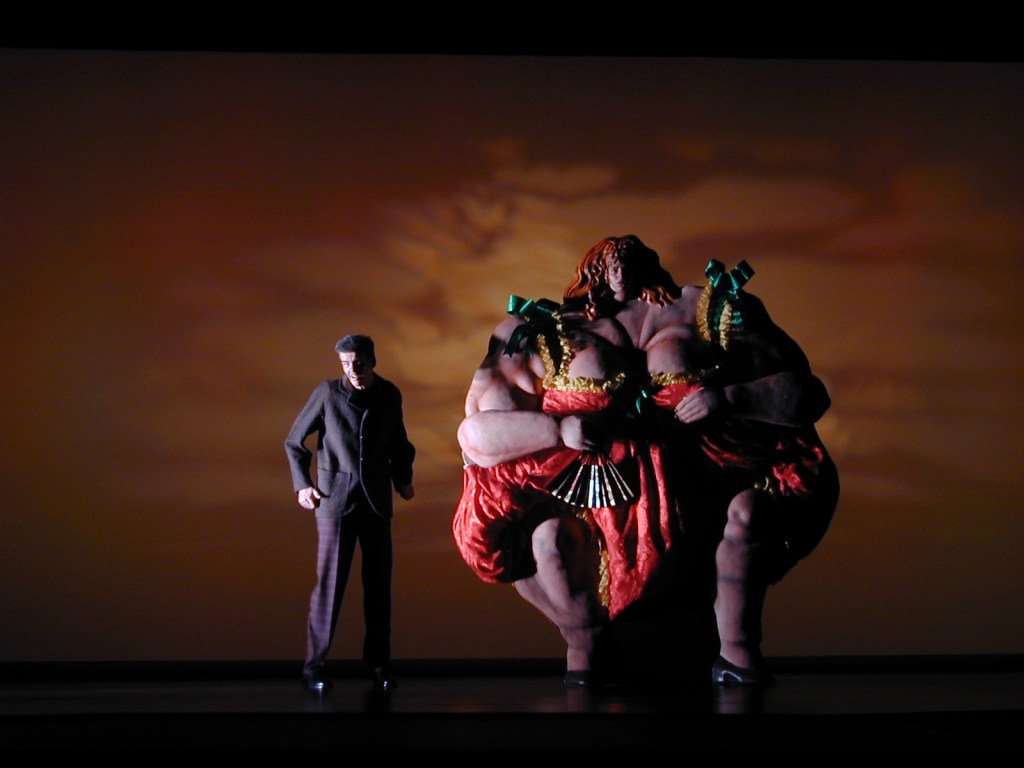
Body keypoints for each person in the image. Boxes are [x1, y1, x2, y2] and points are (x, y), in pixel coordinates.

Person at [454, 235, 837, 686]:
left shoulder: (710, 308)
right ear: (595, 270)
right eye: (610, 266)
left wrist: (731, 397)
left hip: (704, 479)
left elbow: (806, 393)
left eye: (627, 264)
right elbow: (476, 435)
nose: (619, 275)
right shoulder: (538, 331)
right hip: (595, 495)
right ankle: (586, 645)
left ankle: (736, 651)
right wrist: (557, 429)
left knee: (750, 513)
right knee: (550, 540)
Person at [286, 334, 415, 692]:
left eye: (358, 362)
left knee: (379, 588)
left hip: (376, 501)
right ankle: (314, 667)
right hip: (335, 502)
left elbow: (399, 444)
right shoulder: (328, 393)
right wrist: (303, 485)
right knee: (329, 586)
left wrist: (403, 479)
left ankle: (379, 664)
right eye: (345, 364)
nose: (353, 370)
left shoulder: (389, 394)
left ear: (372, 360)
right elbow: (294, 441)